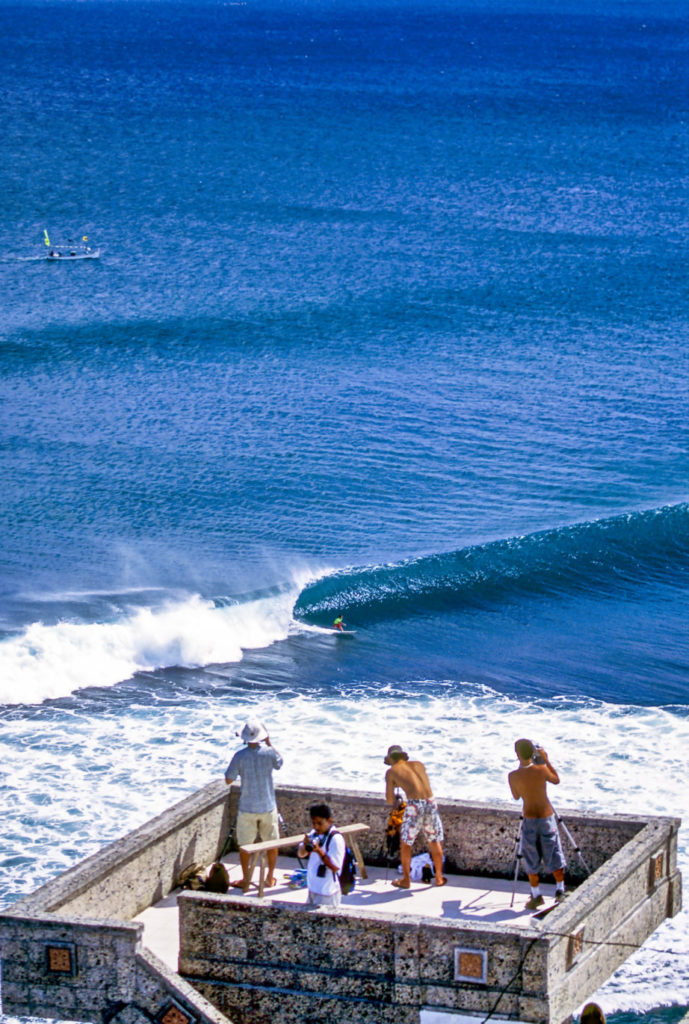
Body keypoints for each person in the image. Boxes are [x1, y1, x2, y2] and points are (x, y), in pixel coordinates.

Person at [224, 718, 283, 892]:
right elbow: (279, 763)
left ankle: (246, 879)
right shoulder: (269, 753)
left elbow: (228, 779)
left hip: (247, 808)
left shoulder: (239, 756)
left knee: (245, 846)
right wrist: (269, 742)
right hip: (268, 805)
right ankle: (270, 877)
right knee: (271, 843)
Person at [508, 738, 567, 909]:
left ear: (517, 754)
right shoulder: (541, 769)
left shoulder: (513, 776)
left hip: (529, 819)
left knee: (530, 858)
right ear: (533, 753)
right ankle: (560, 891)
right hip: (546, 817)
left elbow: (516, 796)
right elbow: (556, 779)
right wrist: (545, 759)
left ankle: (536, 895)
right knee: (554, 853)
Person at [384, 744, 446, 888]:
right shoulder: (419, 765)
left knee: (406, 844)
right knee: (434, 841)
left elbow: (389, 800)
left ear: (390, 759)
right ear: (403, 756)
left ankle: (406, 880)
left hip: (414, 805)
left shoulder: (391, 771)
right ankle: (438, 878)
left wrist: (394, 791)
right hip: (431, 802)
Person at [297, 802, 346, 907]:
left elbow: (335, 867)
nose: (316, 827)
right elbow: (301, 855)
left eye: (319, 823)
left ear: (329, 820)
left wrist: (319, 851)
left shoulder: (336, 839)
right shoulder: (313, 833)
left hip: (328, 893)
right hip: (313, 890)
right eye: (314, 823)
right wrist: (305, 846)